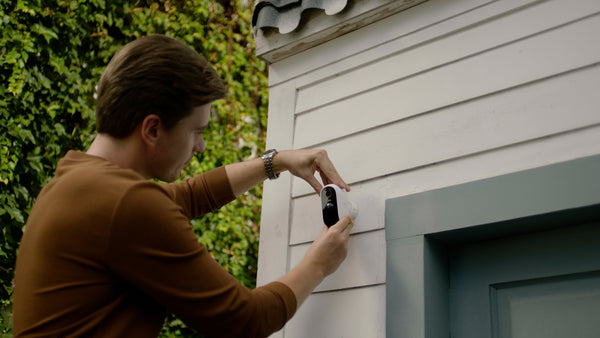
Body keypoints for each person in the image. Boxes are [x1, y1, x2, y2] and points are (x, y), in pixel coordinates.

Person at [12, 34, 354, 337]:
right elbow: (245, 320)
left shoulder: (76, 180)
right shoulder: (126, 202)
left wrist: (275, 161)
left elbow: (188, 196)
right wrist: (319, 264)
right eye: (197, 130)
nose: (201, 146)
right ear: (152, 129)